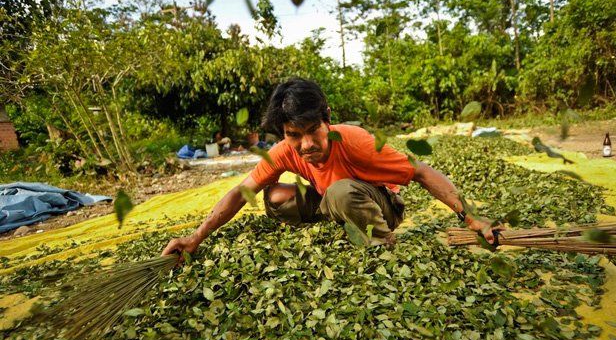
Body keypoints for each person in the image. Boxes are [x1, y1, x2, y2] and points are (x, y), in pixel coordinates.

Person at [162, 78, 496, 257]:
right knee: (272, 195)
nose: (306, 144)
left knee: (341, 191)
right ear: (283, 133)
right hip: (331, 199)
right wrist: (196, 237)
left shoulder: (357, 142)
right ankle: (339, 219)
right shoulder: (283, 151)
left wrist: (470, 217)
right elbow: (240, 191)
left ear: (327, 119)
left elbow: (422, 172)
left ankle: (383, 245)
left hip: (379, 204)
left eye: (312, 131)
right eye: (295, 135)